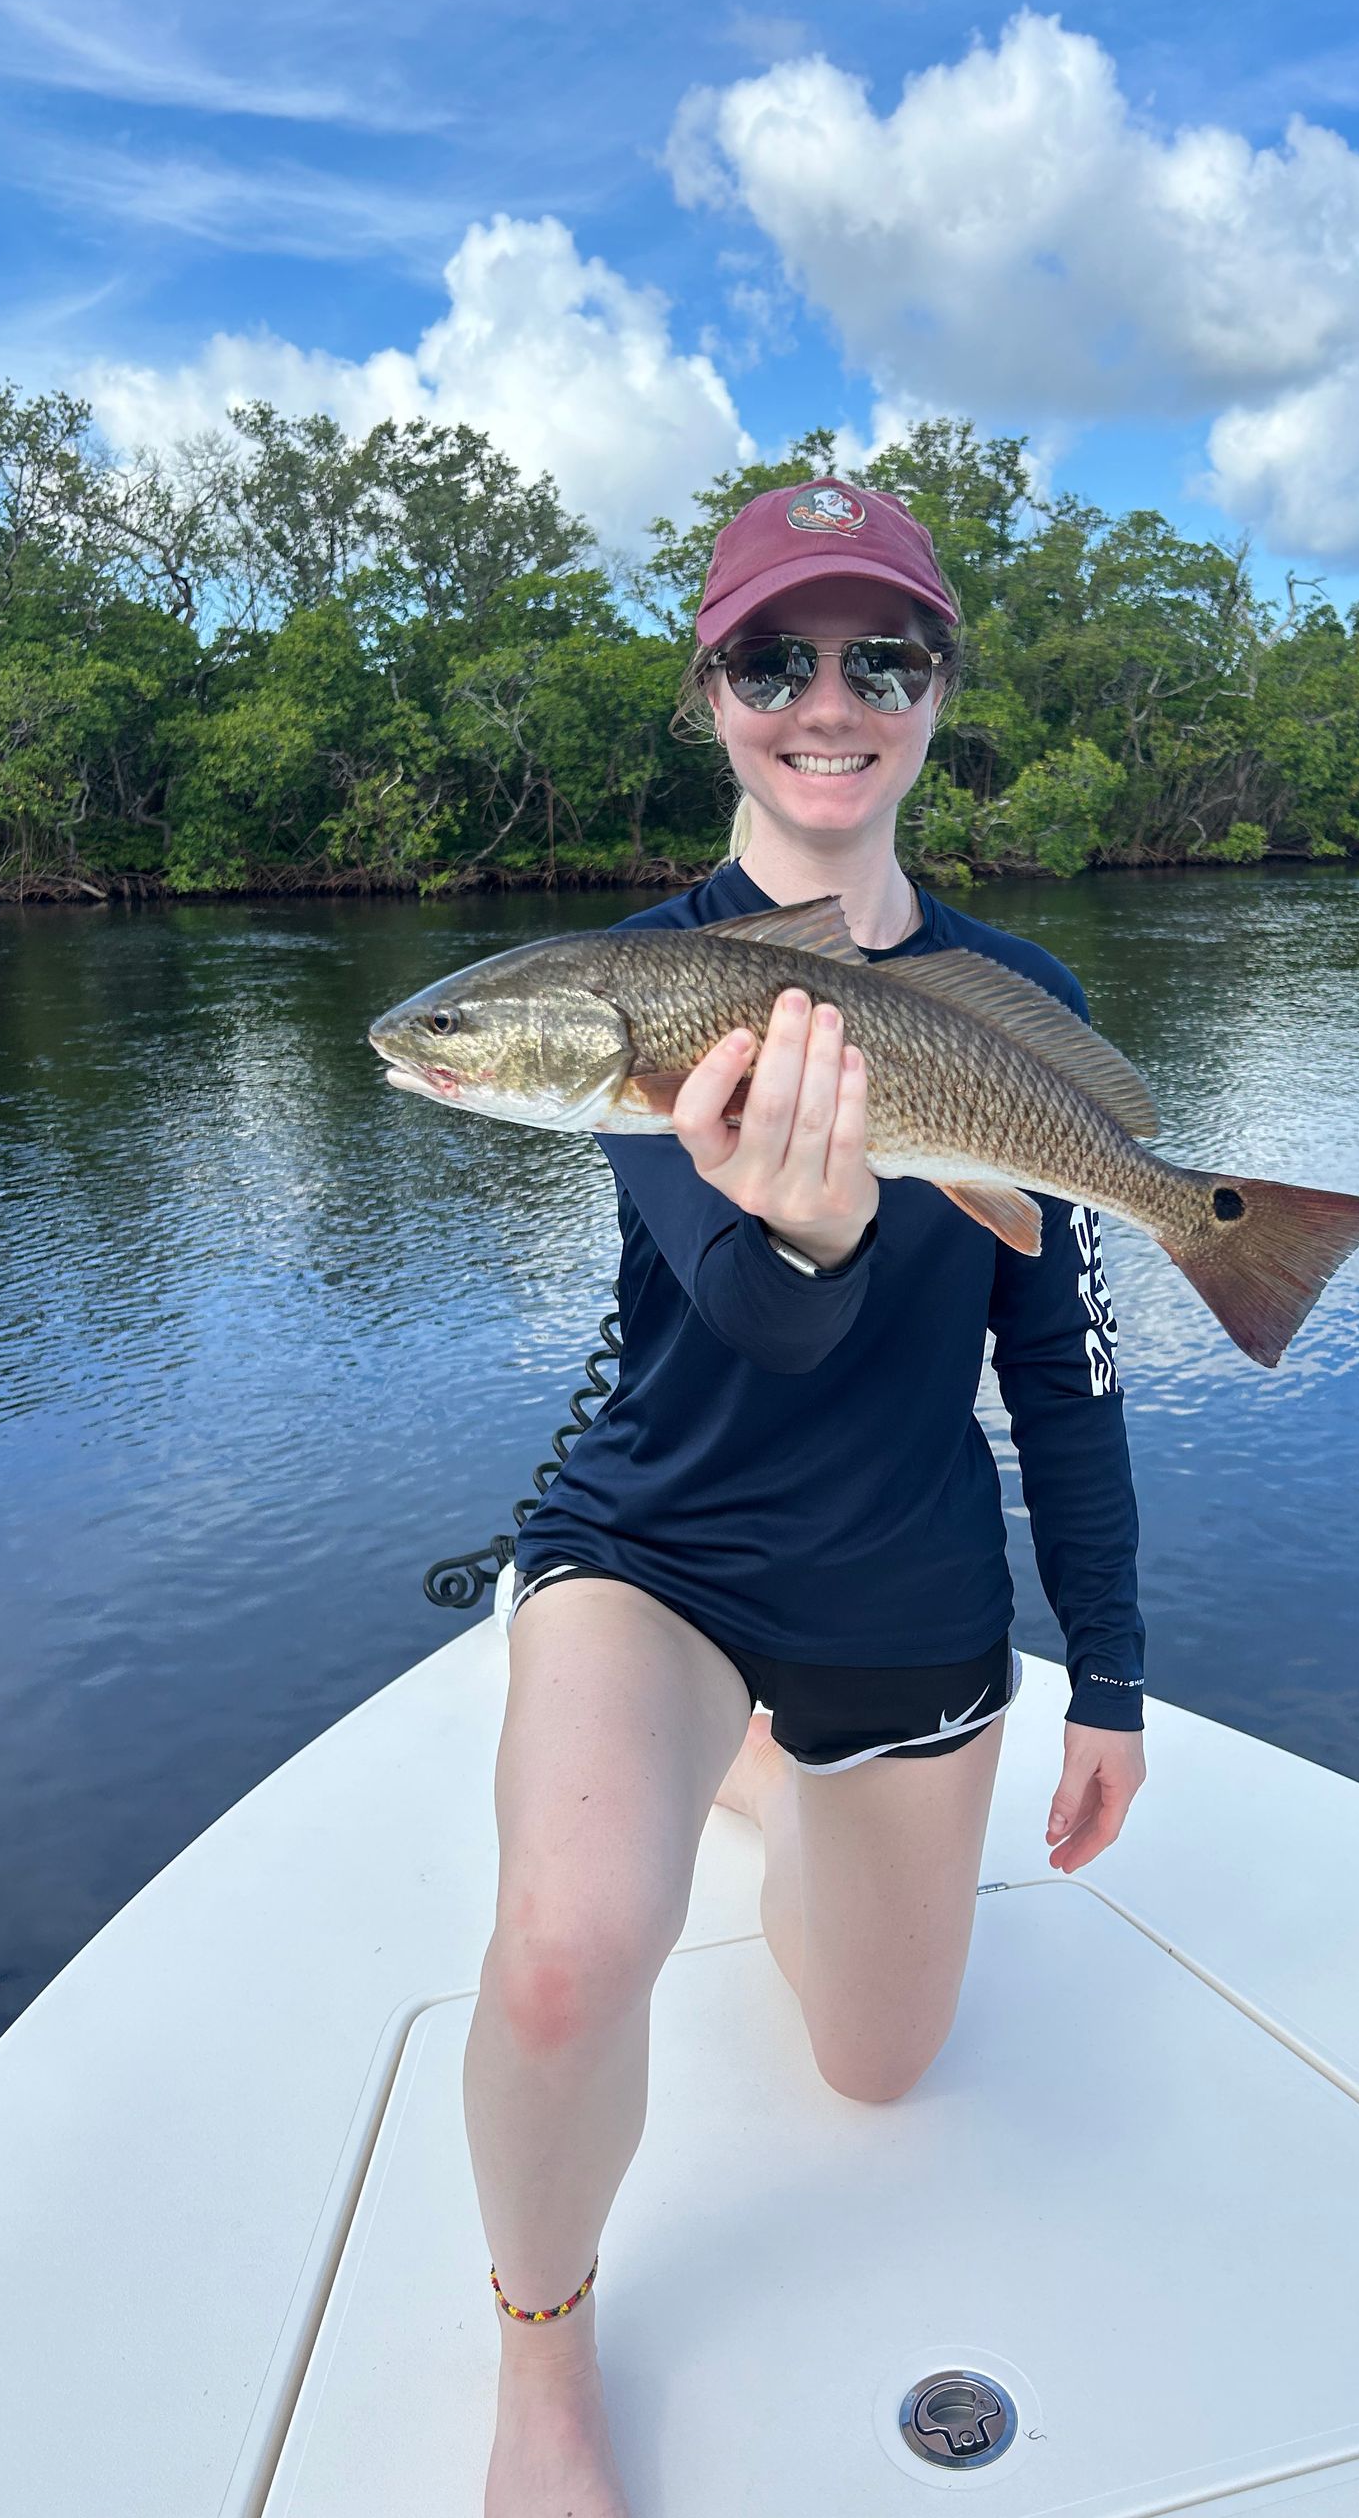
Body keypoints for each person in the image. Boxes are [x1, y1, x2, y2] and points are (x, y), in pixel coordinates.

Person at [463, 477, 1147, 2518]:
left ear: (936, 690)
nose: (826, 696)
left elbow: (1059, 1366)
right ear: (714, 690)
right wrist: (821, 1235)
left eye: (881, 653)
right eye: (776, 653)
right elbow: (745, 1308)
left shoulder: (1021, 1000)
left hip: (904, 1580)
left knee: (875, 2065)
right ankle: (543, 2364)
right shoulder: (649, 981)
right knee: (574, 1949)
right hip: (650, 1545)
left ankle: (768, 1773)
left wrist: (1109, 1666)